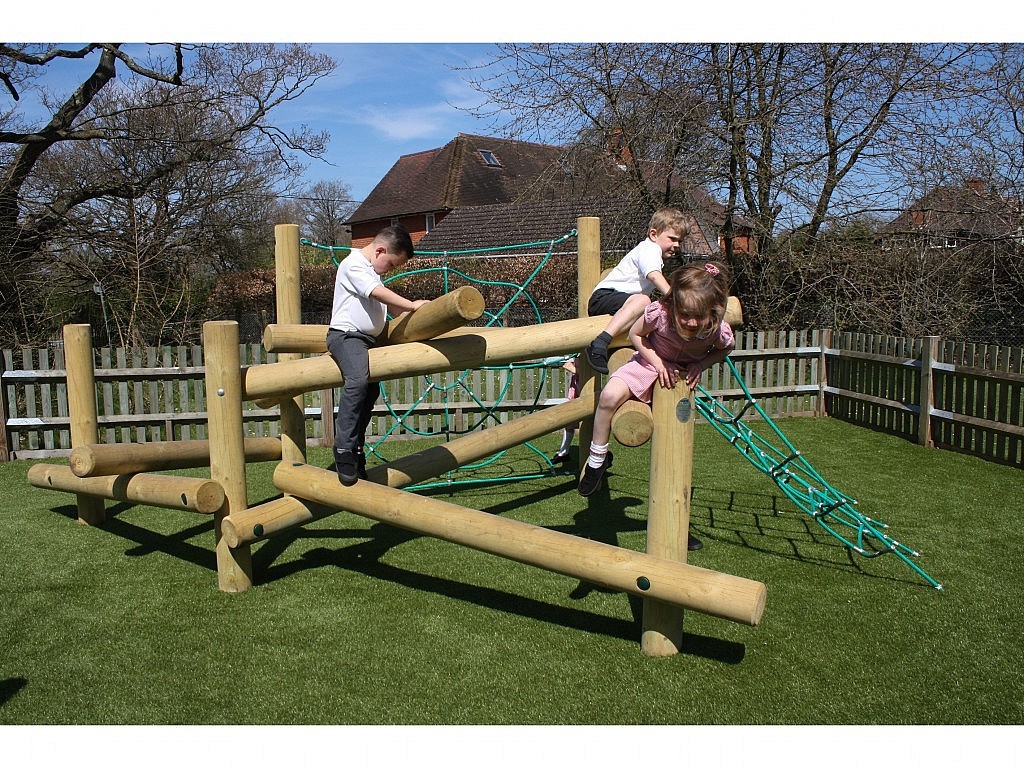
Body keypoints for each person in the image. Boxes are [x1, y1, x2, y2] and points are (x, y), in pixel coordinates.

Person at [577, 260, 735, 550]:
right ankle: (597, 458)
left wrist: (700, 363)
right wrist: (658, 362)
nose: (690, 322)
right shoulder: (660, 314)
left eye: (697, 317)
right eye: (684, 315)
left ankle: (677, 526)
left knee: (674, 453)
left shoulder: (715, 330)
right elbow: (637, 336)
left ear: (710, 312)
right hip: (651, 364)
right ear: (672, 305)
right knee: (610, 396)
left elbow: (726, 349)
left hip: (678, 382)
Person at [327, 224, 430, 485]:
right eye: (392, 265)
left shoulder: (372, 271)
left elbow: (383, 306)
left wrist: (416, 316)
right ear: (380, 250)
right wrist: (411, 304)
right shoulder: (353, 266)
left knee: (371, 391)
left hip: (367, 339)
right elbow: (377, 293)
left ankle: (357, 448)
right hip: (346, 337)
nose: (391, 270)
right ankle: (343, 449)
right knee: (358, 382)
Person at [584, 207, 691, 375]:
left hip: (618, 301)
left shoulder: (650, 250)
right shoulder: (650, 249)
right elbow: (654, 276)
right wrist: (676, 299)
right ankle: (600, 342)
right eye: (672, 238)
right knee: (644, 301)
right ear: (654, 234)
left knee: (651, 313)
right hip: (604, 297)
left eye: (680, 241)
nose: (676, 245)